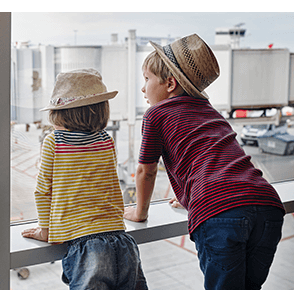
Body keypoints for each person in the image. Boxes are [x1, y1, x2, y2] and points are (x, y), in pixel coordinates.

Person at [123, 34, 286, 290]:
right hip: (267, 205)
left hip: (221, 214)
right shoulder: (211, 112)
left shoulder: (156, 113)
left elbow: (147, 170)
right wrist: (191, 195)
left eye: (146, 79)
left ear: (170, 83)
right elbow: (217, 161)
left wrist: (140, 212)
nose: (143, 88)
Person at [22, 68, 148, 290]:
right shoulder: (106, 140)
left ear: (60, 112)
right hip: (122, 241)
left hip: (86, 247)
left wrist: (45, 229)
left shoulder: (54, 142)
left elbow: (43, 191)